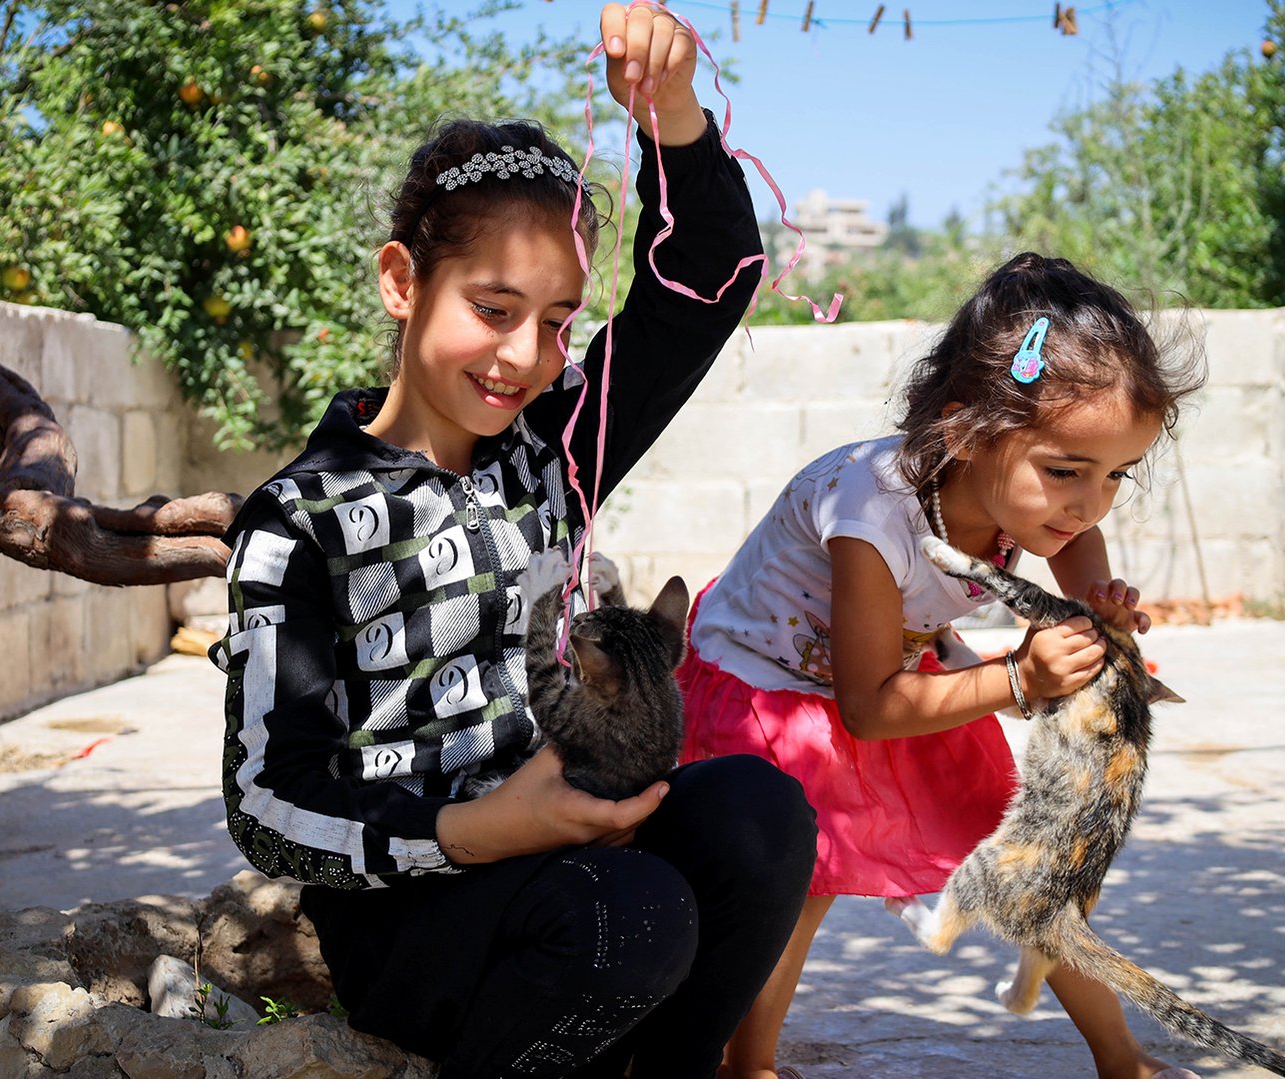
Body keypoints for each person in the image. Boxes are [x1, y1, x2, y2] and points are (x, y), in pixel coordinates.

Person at [209, 6, 816, 1077]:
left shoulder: (555, 445)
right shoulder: (298, 522)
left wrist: (669, 112)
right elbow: (267, 803)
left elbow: (708, 276)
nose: (524, 355)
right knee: (630, 914)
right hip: (420, 909)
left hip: (569, 846)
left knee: (760, 813)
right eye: (493, 308)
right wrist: (480, 830)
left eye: (558, 320)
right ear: (402, 282)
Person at [678, 252, 1208, 1079]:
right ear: (963, 431)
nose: (1091, 503)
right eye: (1067, 471)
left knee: (1034, 859)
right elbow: (867, 709)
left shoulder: (1037, 503)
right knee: (800, 877)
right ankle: (747, 1063)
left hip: (900, 669)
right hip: (771, 685)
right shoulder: (871, 512)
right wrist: (1018, 679)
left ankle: (1121, 1057)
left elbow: (1081, 549)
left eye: (1116, 475)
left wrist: (1098, 604)